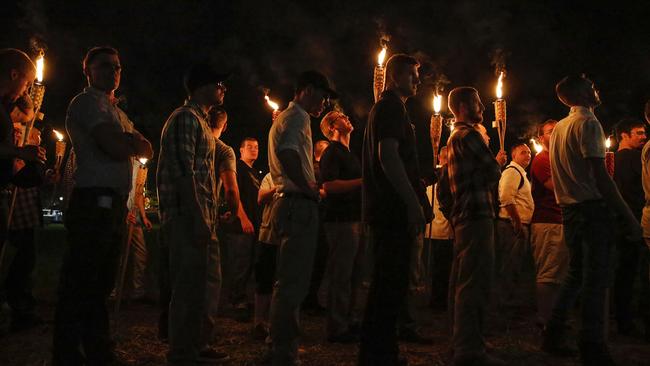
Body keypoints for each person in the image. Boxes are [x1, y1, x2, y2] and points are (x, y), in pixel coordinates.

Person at [53, 46, 153, 366]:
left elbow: (146, 148)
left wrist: (126, 140)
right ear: (89, 71)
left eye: (118, 67)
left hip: (111, 204)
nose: (113, 71)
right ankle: (68, 352)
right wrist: (127, 142)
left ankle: (97, 348)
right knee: (82, 280)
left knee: (101, 282)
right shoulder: (86, 103)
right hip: (92, 201)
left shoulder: (117, 112)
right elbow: (113, 147)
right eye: (105, 66)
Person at [542, 75, 641, 365]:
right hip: (591, 209)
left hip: (570, 209)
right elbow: (600, 175)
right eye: (592, 86)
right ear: (580, 93)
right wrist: (627, 216)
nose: (597, 89)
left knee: (575, 275)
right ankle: (592, 344)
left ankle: (553, 334)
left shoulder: (560, 127)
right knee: (596, 279)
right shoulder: (588, 124)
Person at [359, 54, 431, 366]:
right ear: (395, 77)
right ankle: (379, 355)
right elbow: (388, 156)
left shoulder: (391, 108)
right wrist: (412, 202)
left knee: (388, 283)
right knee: (389, 283)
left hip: (388, 208)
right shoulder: (389, 107)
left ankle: (379, 351)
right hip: (391, 210)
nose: (418, 81)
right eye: (413, 75)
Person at [157, 62, 229, 364]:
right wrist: (198, 217)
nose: (223, 89)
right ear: (202, 86)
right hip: (188, 216)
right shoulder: (185, 118)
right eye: (219, 84)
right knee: (187, 287)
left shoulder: (200, 122)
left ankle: (197, 345)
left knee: (204, 286)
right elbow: (183, 172)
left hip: (202, 218)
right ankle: (181, 352)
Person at [265, 70, 337, 365]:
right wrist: (309, 189)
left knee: (286, 280)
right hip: (296, 204)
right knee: (293, 282)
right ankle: (283, 351)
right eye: (323, 95)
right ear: (307, 90)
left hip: (287, 203)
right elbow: (289, 154)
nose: (325, 103)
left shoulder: (286, 117)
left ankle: (281, 344)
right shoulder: (298, 118)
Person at [446, 86, 506, 366]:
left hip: (465, 216)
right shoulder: (469, 135)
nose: (482, 107)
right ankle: (469, 350)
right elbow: (492, 172)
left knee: (465, 281)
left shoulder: (455, 136)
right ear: (462, 105)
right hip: (476, 214)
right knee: (474, 283)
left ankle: (461, 342)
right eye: (477, 102)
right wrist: (497, 160)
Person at [319, 110, 363, 343]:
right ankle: (336, 327)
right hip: (340, 220)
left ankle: (349, 320)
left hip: (354, 219)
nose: (347, 117)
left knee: (353, 274)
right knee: (341, 274)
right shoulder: (331, 153)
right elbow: (330, 186)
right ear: (331, 126)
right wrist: (363, 182)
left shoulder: (350, 154)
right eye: (340, 116)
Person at [529, 119, 569, 326]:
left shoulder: (560, 159)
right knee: (549, 272)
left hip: (561, 221)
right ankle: (545, 319)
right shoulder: (542, 159)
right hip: (548, 222)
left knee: (561, 274)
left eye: (558, 131)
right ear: (541, 138)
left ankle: (555, 318)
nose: (556, 135)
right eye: (551, 132)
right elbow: (557, 186)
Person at [612, 118, 648, 337]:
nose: (644, 137)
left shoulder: (610, 160)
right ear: (624, 135)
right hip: (635, 221)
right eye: (639, 133)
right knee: (635, 272)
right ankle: (630, 320)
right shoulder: (636, 158)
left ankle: (622, 318)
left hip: (618, 221)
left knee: (623, 272)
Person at [223, 137, 261, 321]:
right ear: (241, 150)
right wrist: (243, 218)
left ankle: (244, 299)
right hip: (240, 226)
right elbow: (232, 191)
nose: (254, 150)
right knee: (239, 263)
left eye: (256, 147)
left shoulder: (254, 172)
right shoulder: (238, 167)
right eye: (250, 147)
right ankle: (236, 302)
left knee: (248, 263)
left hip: (254, 224)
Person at [495, 143, 534, 308]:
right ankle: (504, 304)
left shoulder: (521, 174)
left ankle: (508, 301)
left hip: (516, 225)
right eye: (523, 152)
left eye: (529, 152)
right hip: (511, 226)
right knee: (509, 266)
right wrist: (517, 222)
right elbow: (506, 197)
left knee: (515, 265)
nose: (528, 155)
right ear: (514, 156)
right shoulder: (512, 172)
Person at [302, 139, 330, 313]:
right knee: (316, 260)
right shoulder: (318, 170)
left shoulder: (310, 168)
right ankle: (309, 299)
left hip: (316, 219)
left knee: (316, 260)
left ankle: (310, 297)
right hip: (317, 219)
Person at [425, 146, 453, 311]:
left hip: (446, 230)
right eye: (447, 158)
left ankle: (442, 298)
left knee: (445, 267)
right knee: (440, 268)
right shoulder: (436, 176)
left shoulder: (447, 174)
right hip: (438, 229)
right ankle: (437, 300)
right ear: (441, 158)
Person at [252, 172, 277, 340]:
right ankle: (259, 322)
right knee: (264, 278)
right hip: (269, 234)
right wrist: (280, 188)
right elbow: (261, 198)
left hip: (290, 236)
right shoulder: (270, 177)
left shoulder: (301, 174)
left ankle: (276, 322)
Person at [124, 163, 153, 301]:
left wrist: (143, 216)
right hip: (122, 217)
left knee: (141, 253)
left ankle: (138, 290)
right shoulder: (123, 162)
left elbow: (139, 194)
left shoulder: (140, 166)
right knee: (120, 254)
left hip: (135, 219)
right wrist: (124, 213)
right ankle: (114, 291)